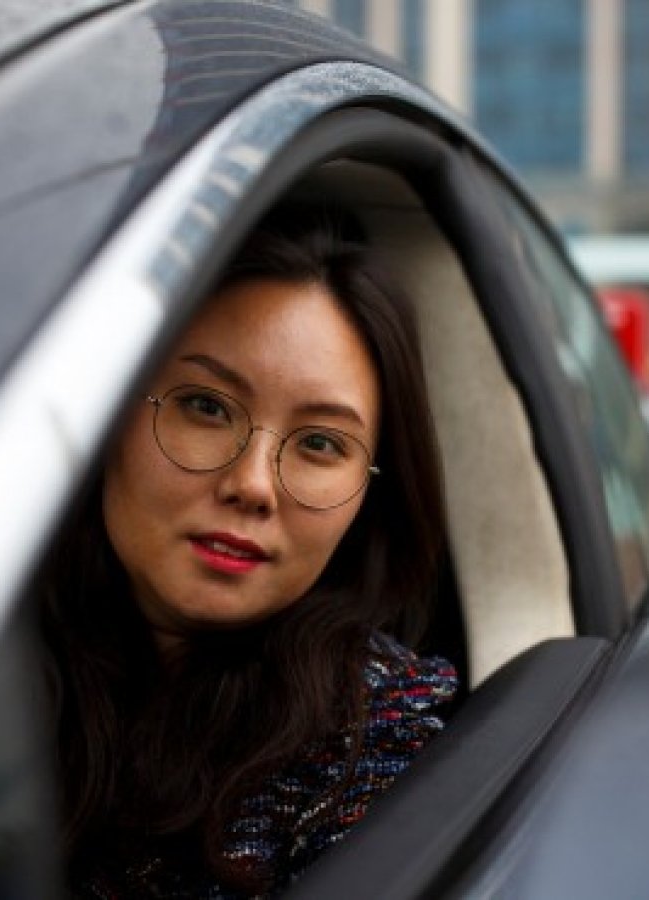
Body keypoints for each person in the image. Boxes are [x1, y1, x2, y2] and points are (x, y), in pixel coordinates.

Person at [36, 205, 457, 897]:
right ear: (111, 413)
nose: (252, 485)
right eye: (207, 407)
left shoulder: (379, 737)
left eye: (320, 443)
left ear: (368, 494)